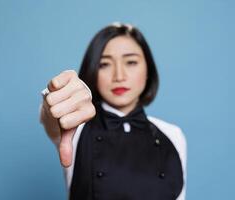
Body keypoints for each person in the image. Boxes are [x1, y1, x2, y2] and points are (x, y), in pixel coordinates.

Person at [40, 22, 187, 200]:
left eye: (131, 62)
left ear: (148, 69)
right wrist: (57, 98)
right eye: (104, 64)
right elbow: (51, 117)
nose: (119, 76)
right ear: (93, 70)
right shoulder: (76, 128)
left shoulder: (173, 134)